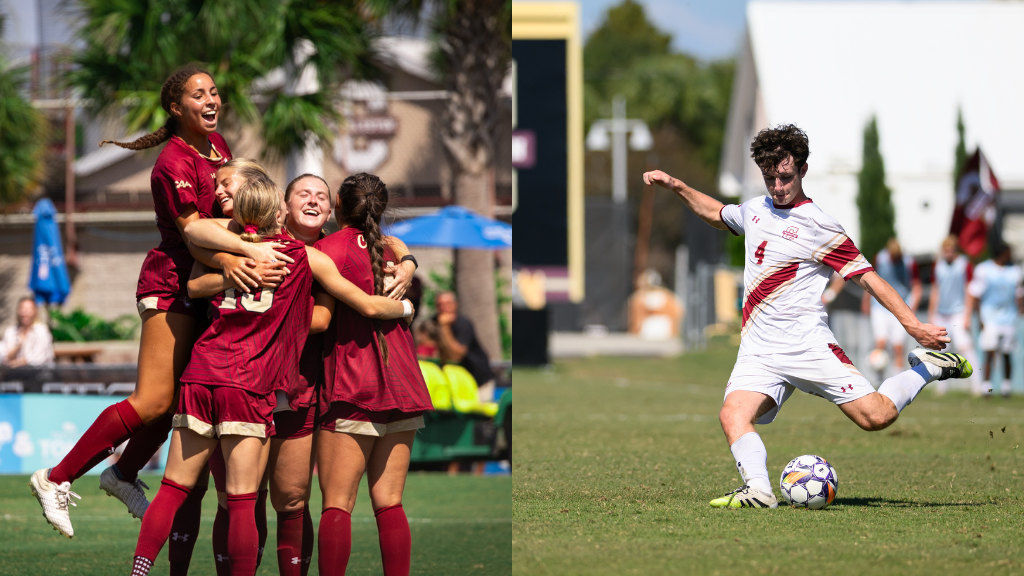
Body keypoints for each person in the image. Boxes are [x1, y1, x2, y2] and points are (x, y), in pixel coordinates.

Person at [642, 124, 971, 509]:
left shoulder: (819, 225)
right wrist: (678, 186)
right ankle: (760, 492)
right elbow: (717, 213)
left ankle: (929, 368)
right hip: (759, 351)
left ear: (803, 170)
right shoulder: (754, 210)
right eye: (770, 178)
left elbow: (869, 279)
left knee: (875, 417)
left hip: (808, 345)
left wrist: (914, 327)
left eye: (785, 177)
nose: (777, 186)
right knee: (732, 414)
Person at [28, 63, 287, 539]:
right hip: (170, 284)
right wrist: (248, 251)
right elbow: (192, 231)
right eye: (198, 95)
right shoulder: (174, 161)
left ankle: (123, 475)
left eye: (214, 92)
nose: (211, 100)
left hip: (200, 280)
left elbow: (227, 217)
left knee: (174, 405)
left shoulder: (218, 146)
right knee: (152, 401)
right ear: (176, 107)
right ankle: (55, 477)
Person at [187, 168, 416, 576]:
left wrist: (409, 265)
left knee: (293, 500)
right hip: (245, 381)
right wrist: (230, 265)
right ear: (283, 206)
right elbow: (198, 244)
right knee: (239, 497)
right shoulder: (254, 239)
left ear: (334, 209)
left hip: (309, 388)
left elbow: (334, 312)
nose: (312, 200)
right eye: (303, 193)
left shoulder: (325, 251)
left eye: (321, 195)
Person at [313, 173, 433, 576]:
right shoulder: (395, 252)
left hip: (353, 383)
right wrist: (410, 263)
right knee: (390, 502)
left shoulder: (325, 250)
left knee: (336, 503)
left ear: (337, 204)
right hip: (403, 381)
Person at [965, 242, 1023, 398]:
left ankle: (1006, 387)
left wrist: (1020, 311)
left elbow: (1019, 295)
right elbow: (976, 295)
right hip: (989, 317)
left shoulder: (1015, 271)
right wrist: (979, 317)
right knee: (989, 353)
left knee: (1007, 353)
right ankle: (987, 388)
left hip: (1009, 318)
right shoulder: (984, 269)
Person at [928, 236, 979, 395]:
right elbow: (935, 290)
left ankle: (977, 385)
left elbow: (969, 290)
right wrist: (931, 313)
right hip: (942, 313)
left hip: (959, 311)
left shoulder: (964, 264)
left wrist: (968, 315)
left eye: (951, 250)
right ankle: (942, 387)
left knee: (965, 346)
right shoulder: (938, 265)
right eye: (946, 251)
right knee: (942, 350)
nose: (948, 254)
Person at [862, 238, 921, 374]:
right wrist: (866, 300)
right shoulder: (880, 259)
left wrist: (912, 307)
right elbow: (870, 279)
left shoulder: (909, 263)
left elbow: (917, 287)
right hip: (879, 306)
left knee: (898, 346)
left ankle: (898, 378)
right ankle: (879, 378)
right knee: (881, 343)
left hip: (900, 306)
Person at [434, 291, 496, 401]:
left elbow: (456, 356)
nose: (444, 308)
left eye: (448, 304)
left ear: (455, 305)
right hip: (457, 382)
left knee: (480, 416)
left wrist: (444, 327)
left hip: (478, 380)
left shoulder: (463, 324)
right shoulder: (433, 322)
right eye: (440, 305)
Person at [0, 297, 54, 367]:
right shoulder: (11, 331)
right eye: (23, 309)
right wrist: (17, 346)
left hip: (39, 374)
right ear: (18, 311)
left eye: (29, 309)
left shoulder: (41, 331)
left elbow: (38, 359)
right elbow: (3, 356)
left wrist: (13, 363)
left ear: (35, 312)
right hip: (14, 374)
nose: (26, 313)